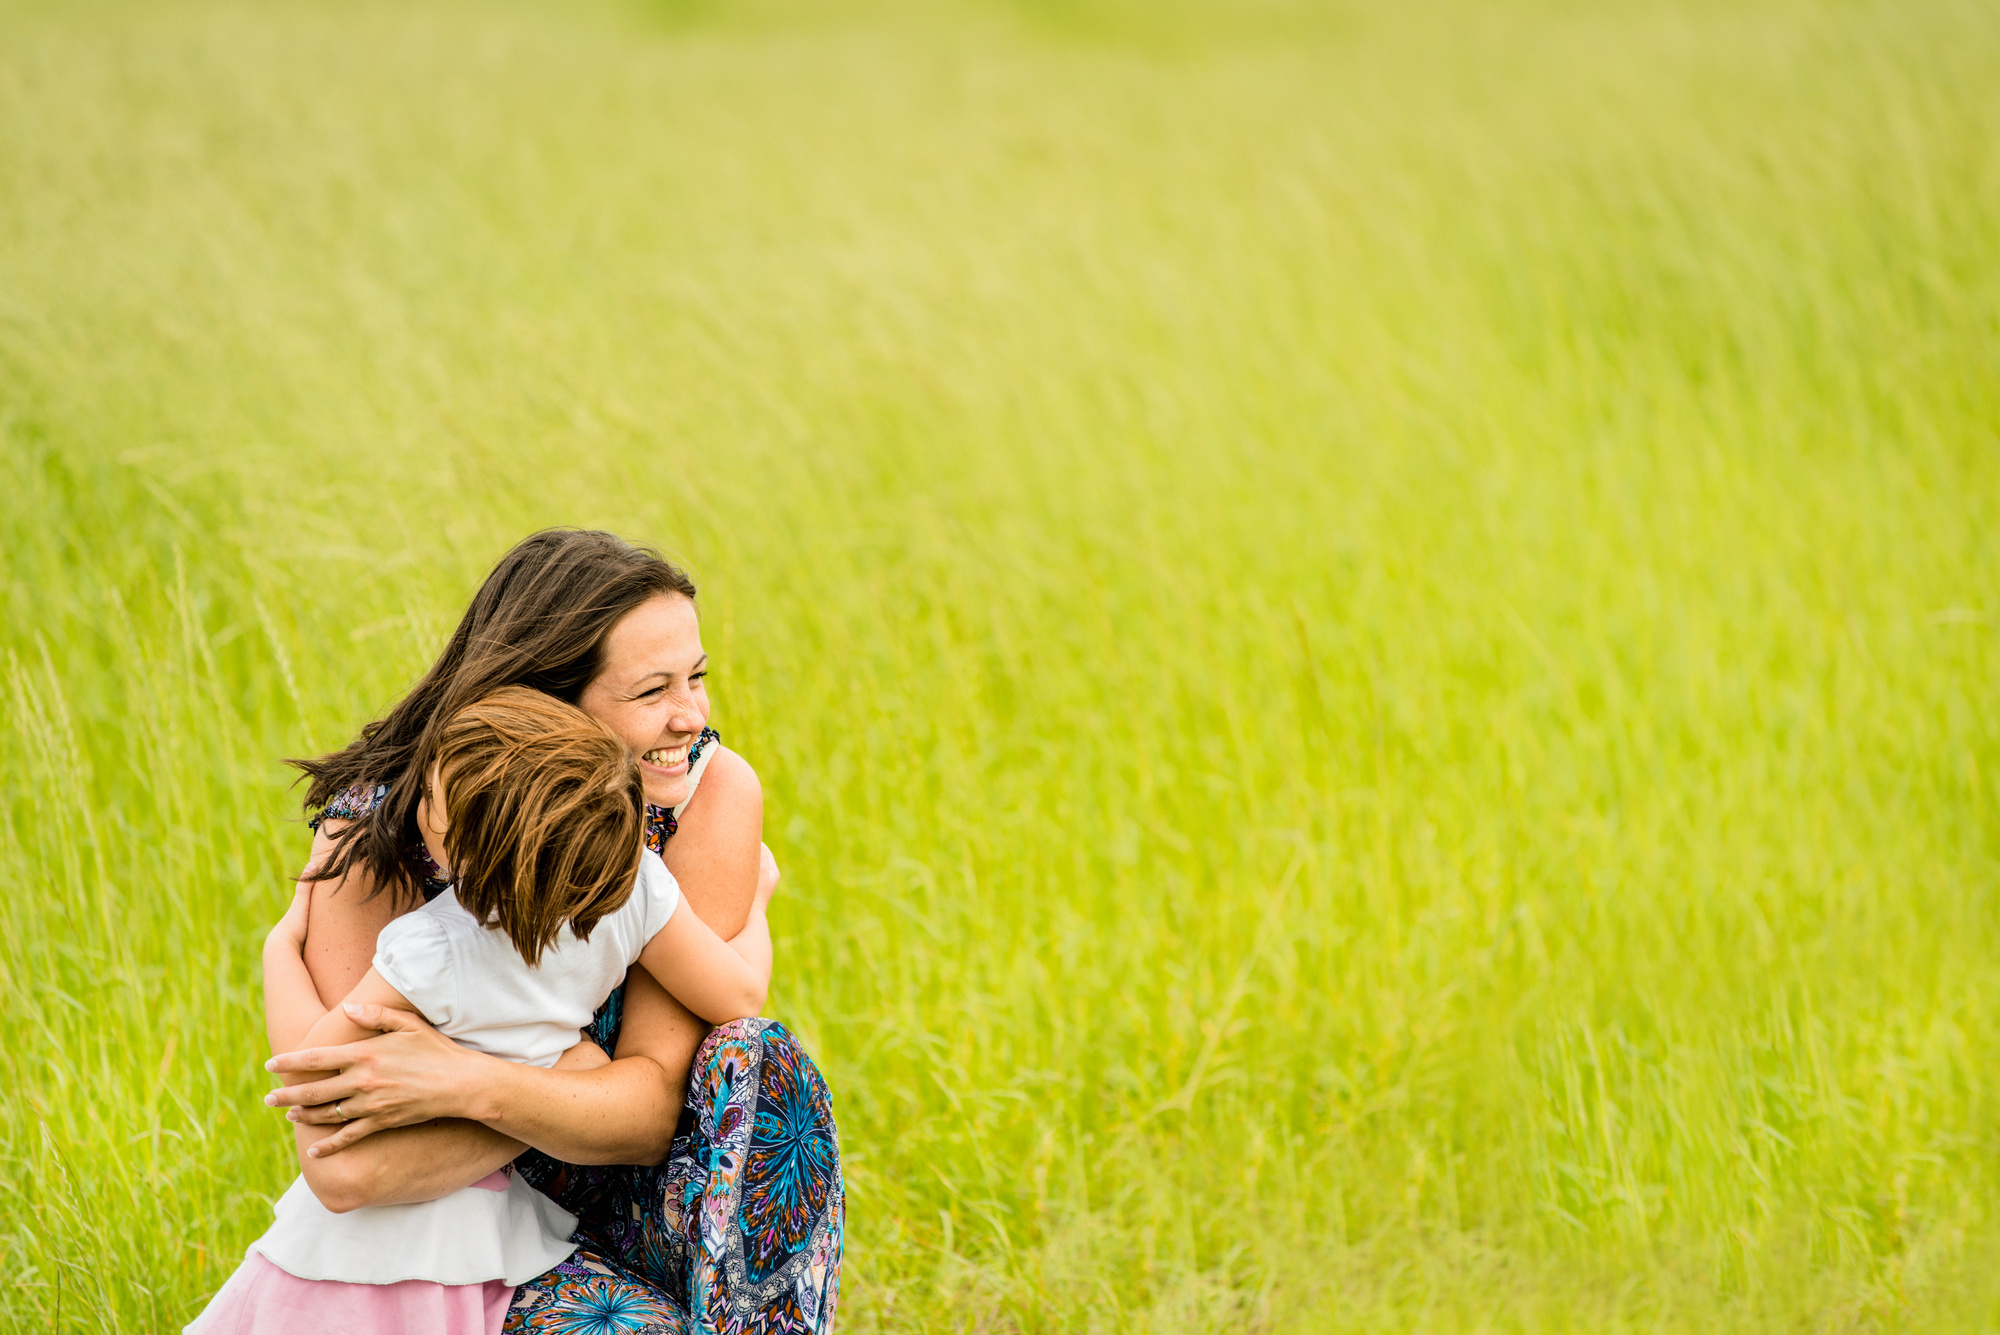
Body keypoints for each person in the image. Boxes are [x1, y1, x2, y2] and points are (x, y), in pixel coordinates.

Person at [257, 530, 842, 1333]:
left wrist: (468, 1080)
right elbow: (348, 1163)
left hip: (644, 1204)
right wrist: (574, 1076)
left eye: (697, 677)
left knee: (763, 1063)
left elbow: (649, 1113)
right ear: (540, 702)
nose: (693, 716)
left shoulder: (700, 795)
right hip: (460, 1238)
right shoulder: (381, 833)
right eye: (652, 692)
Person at [196, 688, 780, 1333]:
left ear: (464, 852)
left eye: (431, 801)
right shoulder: (637, 888)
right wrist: (755, 903)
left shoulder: (436, 944)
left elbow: (316, 1064)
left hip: (384, 1233)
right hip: (492, 1222)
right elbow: (741, 995)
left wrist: (280, 949)